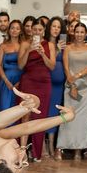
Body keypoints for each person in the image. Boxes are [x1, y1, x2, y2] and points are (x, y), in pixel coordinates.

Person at [18, 17, 55, 161]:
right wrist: (28, 50)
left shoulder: (49, 45)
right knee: (25, 115)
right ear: (31, 30)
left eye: (40, 30)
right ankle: (22, 150)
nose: (37, 32)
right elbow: (21, 65)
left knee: (40, 116)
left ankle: (36, 152)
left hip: (44, 82)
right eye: (35, 29)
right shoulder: (25, 44)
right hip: (28, 81)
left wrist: (42, 53)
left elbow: (51, 66)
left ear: (44, 31)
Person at [56, 22, 87, 160]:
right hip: (71, 85)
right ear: (73, 33)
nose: (79, 34)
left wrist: (78, 76)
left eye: (81, 32)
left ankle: (78, 149)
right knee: (67, 116)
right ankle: (60, 147)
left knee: (82, 119)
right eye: (77, 32)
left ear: (85, 33)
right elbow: (66, 68)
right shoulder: (68, 48)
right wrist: (72, 84)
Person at [45, 16, 67, 158]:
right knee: (44, 114)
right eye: (54, 26)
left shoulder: (64, 44)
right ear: (49, 28)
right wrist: (57, 50)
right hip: (47, 83)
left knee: (55, 114)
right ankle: (43, 145)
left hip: (60, 86)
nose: (56, 29)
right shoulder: (45, 43)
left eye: (58, 27)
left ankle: (52, 145)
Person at [0, 20, 23, 112]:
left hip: (21, 80)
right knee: (5, 108)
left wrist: (20, 82)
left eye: (17, 28)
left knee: (18, 109)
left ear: (20, 31)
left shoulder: (24, 46)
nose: (14, 30)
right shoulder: (3, 46)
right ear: (9, 30)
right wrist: (6, 81)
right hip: (6, 80)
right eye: (12, 28)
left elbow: (27, 65)